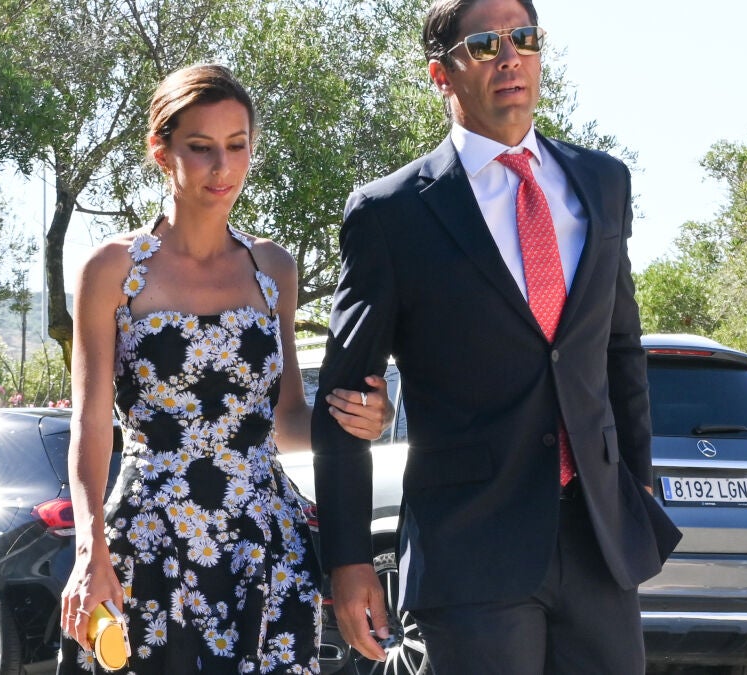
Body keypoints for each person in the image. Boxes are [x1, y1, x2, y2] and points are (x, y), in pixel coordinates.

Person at [311, 0, 683, 673]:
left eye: (525, 38)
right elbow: (342, 400)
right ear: (441, 74)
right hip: (470, 547)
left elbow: (620, 347)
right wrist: (349, 558)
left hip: (599, 539)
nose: (511, 58)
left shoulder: (603, 183)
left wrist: (639, 482)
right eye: (485, 44)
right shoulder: (391, 213)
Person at [57, 63, 392, 674]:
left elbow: (286, 419)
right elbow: (90, 425)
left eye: (237, 146)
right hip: (150, 541)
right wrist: (90, 549)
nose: (223, 167)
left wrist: (355, 420)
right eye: (201, 147)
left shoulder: (274, 269)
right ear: (161, 151)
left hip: (263, 544)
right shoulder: (110, 269)